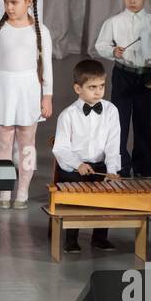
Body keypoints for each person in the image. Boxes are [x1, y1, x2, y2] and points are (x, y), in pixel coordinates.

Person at [0, 0, 53, 208]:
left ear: (29, 1)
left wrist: (47, 96)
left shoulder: (40, 31)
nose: (8, 7)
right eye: (6, 1)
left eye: (14, 2)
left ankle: (23, 191)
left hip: (29, 90)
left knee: (27, 144)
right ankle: (4, 191)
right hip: (2, 89)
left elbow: (46, 65)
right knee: (3, 144)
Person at [95, 0, 151, 178]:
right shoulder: (114, 22)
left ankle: (143, 165)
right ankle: (120, 165)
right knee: (120, 121)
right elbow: (101, 44)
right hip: (123, 75)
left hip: (146, 77)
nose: (132, 1)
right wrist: (113, 52)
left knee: (143, 122)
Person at [52, 59, 122, 252]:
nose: (98, 92)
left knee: (106, 196)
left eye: (101, 86)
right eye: (92, 87)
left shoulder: (111, 111)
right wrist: (77, 164)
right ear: (78, 88)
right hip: (74, 168)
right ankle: (71, 239)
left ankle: (99, 237)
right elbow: (61, 149)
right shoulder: (68, 115)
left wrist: (112, 169)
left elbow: (113, 144)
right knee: (76, 197)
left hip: (100, 166)